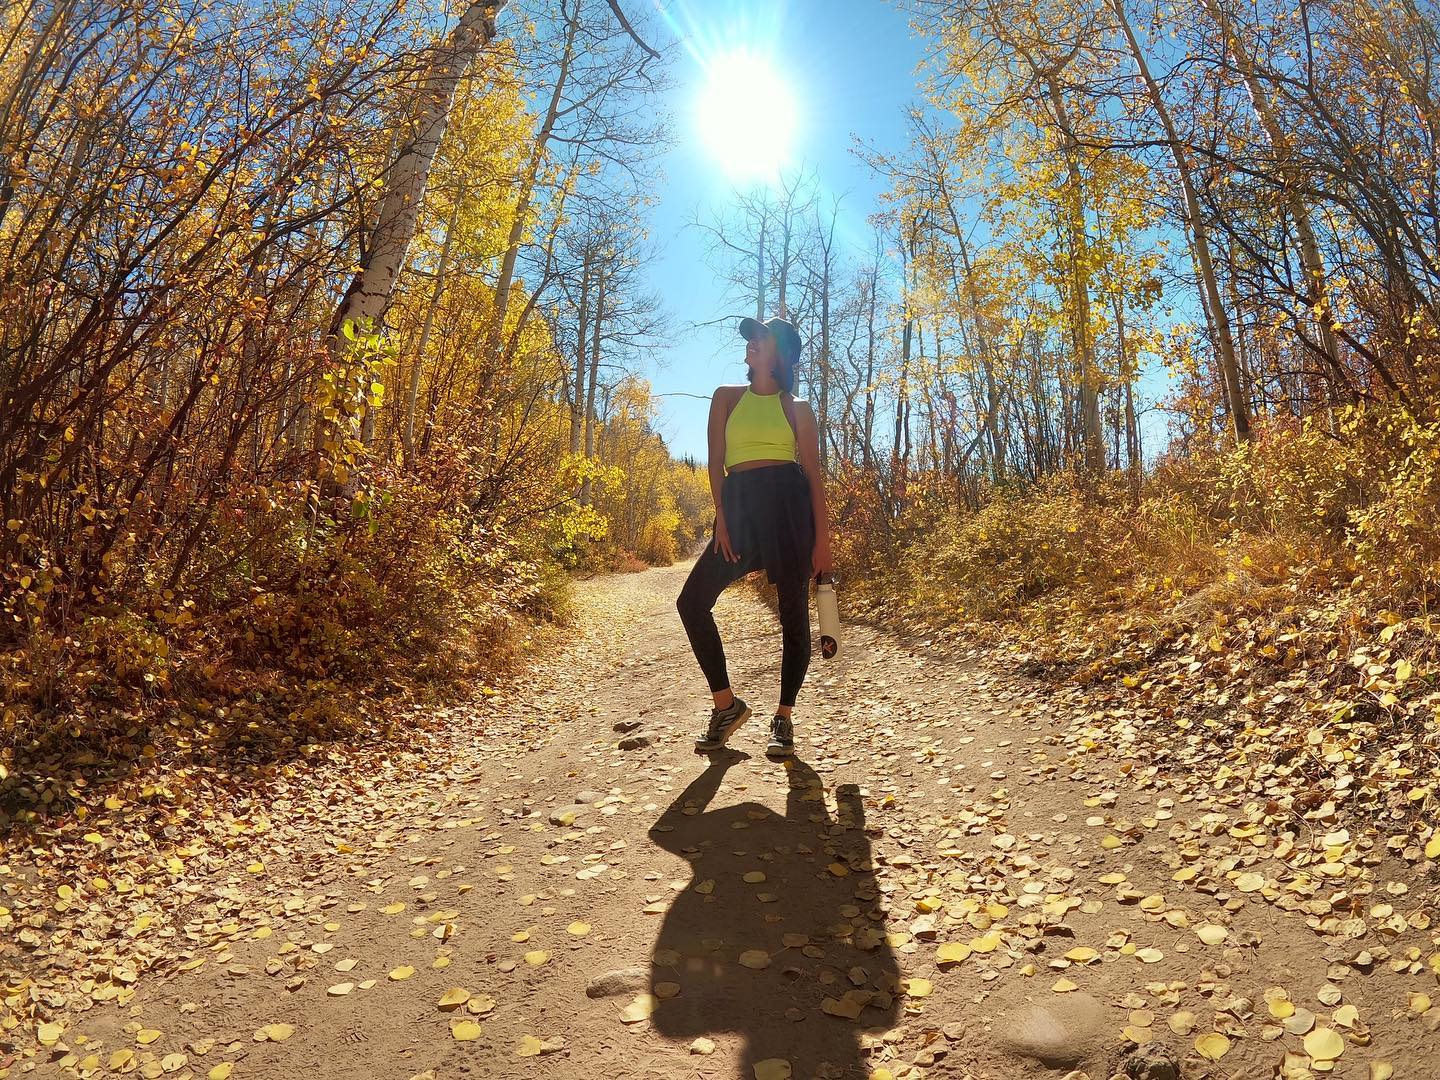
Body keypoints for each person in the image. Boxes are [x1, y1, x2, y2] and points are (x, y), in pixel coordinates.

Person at [676, 315, 833, 758]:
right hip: (740, 509)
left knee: (793, 617)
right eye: (751, 337)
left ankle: (784, 717)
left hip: (788, 511)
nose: (752, 342)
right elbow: (715, 462)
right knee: (691, 602)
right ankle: (726, 706)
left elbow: (814, 478)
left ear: (781, 353)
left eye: (761, 337)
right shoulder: (726, 398)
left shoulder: (797, 408)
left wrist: (823, 542)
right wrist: (722, 517)